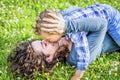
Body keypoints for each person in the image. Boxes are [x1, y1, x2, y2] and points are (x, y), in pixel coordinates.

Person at [33, 3, 120, 80]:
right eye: (44, 44)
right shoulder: (74, 55)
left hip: (108, 16)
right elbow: (83, 56)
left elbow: (75, 9)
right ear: (49, 59)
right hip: (104, 12)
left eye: (45, 39)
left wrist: (56, 20)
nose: (46, 40)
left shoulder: (69, 31)